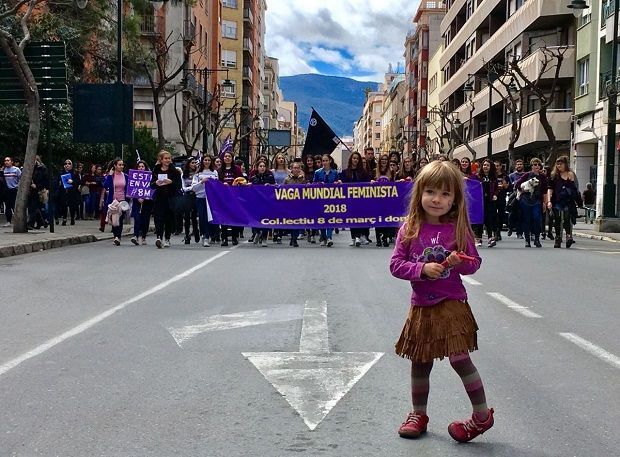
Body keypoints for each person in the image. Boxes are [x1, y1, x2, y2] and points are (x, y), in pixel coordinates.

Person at [389, 160, 493, 442]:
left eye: (445, 194)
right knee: (420, 361)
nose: (437, 199)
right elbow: (395, 265)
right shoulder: (409, 228)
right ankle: (418, 415)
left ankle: (482, 416)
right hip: (421, 305)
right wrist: (421, 269)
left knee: (460, 358)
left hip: (452, 302)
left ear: (454, 199)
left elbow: (474, 264)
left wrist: (460, 262)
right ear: (420, 193)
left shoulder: (458, 229)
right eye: (431, 192)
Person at [150, 150, 182, 248]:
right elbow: (151, 185)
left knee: (169, 219)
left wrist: (171, 182)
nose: (168, 160)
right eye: (166, 158)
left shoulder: (175, 171)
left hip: (170, 198)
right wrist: (156, 183)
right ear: (161, 160)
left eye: (169, 158)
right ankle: (159, 237)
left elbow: (179, 185)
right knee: (158, 218)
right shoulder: (156, 170)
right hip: (159, 198)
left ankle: (167, 238)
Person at [547, 156, 580, 248]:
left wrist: (577, 200)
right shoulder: (554, 175)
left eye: (561, 164)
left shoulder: (570, 174)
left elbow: (573, 188)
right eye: (557, 164)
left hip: (568, 200)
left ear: (565, 164)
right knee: (557, 219)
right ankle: (558, 238)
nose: (559, 166)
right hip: (557, 200)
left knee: (567, 218)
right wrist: (549, 201)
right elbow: (550, 189)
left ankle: (568, 236)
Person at [515, 158, 548, 248]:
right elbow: (517, 184)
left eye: (538, 164)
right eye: (535, 164)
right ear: (531, 166)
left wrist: (545, 203)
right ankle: (527, 240)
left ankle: (537, 239)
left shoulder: (543, 177)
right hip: (526, 200)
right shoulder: (527, 175)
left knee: (537, 219)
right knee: (526, 219)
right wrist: (523, 189)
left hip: (537, 200)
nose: (537, 166)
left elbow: (545, 191)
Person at [339, 151, 370, 246]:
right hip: (350, 200)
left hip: (361, 200)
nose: (355, 160)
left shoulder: (363, 172)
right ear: (351, 159)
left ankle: (358, 236)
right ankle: (354, 237)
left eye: (357, 158)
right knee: (352, 218)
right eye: (354, 158)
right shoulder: (345, 172)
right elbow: (342, 183)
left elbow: (367, 183)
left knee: (360, 217)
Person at [192, 154, 220, 247]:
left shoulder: (214, 172)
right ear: (202, 161)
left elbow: (217, 185)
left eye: (209, 160)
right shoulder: (198, 173)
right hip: (200, 198)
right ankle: (204, 234)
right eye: (205, 160)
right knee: (202, 217)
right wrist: (202, 182)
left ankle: (208, 236)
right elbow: (193, 188)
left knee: (209, 218)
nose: (207, 162)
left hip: (211, 199)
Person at [218, 151, 244, 246]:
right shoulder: (220, 170)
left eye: (229, 156)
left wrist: (236, 183)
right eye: (225, 156)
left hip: (234, 196)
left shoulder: (236, 169)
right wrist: (222, 184)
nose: (227, 158)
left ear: (232, 158)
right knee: (224, 217)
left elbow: (242, 180)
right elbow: (217, 182)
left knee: (234, 216)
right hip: (223, 196)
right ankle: (224, 238)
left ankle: (234, 237)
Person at [313, 154, 339, 247]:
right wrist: (318, 184)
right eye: (323, 161)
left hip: (331, 198)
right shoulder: (317, 172)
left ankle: (329, 237)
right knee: (322, 218)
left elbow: (338, 183)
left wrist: (337, 183)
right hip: (321, 198)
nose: (324, 162)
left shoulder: (335, 172)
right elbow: (313, 183)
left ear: (330, 161)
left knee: (331, 217)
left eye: (326, 160)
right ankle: (323, 237)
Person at [102, 158, 129, 246]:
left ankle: (118, 237)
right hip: (113, 200)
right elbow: (106, 185)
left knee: (120, 218)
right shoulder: (111, 176)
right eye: (119, 165)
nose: (121, 166)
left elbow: (129, 187)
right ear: (115, 165)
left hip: (122, 200)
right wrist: (110, 176)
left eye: (122, 165)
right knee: (114, 219)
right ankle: (115, 236)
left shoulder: (125, 176)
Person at [249, 160, 275, 246]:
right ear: (257, 168)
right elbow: (250, 189)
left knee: (265, 220)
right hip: (256, 202)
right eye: (260, 166)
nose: (262, 168)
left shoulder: (270, 177)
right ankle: (257, 232)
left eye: (264, 166)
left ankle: (264, 238)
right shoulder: (254, 178)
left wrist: (270, 186)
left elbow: (275, 187)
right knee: (255, 219)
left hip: (266, 202)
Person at [475, 159, 499, 248]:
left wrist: (495, 195)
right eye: (484, 165)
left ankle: (490, 238)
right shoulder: (477, 176)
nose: (485, 167)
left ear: (491, 167)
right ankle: (478, 238)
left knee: (489, 219)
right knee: (479, 220)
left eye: (488, 165)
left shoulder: (493, 178)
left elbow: (496, 188)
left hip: (490, 201)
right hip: (479, 201)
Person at [130, 160, 153, 245]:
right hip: (137, 201)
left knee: (145, 220)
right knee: (137, 218)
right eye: (139, 166)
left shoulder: (150, 177)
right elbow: (132, 189)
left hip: (147, 202)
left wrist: (145, 197)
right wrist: (137, 197)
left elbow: (152, 189)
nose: (141, 168)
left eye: (142, 166)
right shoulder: (133, 177)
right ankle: (135, 236)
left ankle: (143, 237)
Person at [284, 161, 306, 247]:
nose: (296, 169)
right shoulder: (287, 179)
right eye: (294, 168)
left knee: (297, 221)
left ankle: (294, 239)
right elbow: (282, 191)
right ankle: (292, 237)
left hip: (299, 204)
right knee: (291, 221)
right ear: (291, 169)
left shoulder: (302, 180)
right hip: (290, 204)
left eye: (297, 168)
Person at [180, 157, 200, 245]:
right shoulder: (184, 174)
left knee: (194, 216)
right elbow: (183, 187)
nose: (194, 164)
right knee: (187, 216)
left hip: (196, 195)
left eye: (195, 163)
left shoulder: (198, 173)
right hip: (187, 195)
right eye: (192, 163)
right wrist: (191, 188)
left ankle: (196, 232)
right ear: (188, 164)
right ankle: (187, 235)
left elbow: (199, 185)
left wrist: (195, 188)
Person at [27, 155, 49, 229]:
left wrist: (37, 186)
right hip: (31, 190)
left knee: (33, 207)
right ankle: (41, 222)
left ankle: (30, 223)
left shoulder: (42, 169)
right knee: (35, 207)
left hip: (38, 190)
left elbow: (46, 181)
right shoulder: (30, 169)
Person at [57, 159, 81, 226]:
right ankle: (64, 219)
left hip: (72, 192)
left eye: (69, 163)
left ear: (71, 165)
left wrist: (72, 182)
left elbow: (79, 182)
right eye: (66, 163)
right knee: (63, 205)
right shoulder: (61, 173)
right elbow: (57, 180)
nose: (67, 165)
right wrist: (59, 183)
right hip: (63, 191)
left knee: (72, 206)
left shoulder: (75, 173)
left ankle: (72, 218)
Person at [507, 158, 526, 239]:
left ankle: (519, 233)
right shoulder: (511, 176)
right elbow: (509, 186)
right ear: (515, 166)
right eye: (518, 164)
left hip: (523, 197)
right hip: (513, 197)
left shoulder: (526, 175)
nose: (519, 166)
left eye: (521, 164)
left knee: (520, 215)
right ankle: (510, 227)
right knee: (511, 214)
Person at [2, 156, 21, 227]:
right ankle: (8, 221)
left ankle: (17, 220)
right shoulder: (4, 170)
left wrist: (18, 186)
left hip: (14, 189)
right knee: (7, 206)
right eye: (5, 161)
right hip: (7, 190)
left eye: (8, 160)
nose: (6, 162)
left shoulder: (16, 169)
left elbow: (21, 178)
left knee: (14, 205)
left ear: (12, 162)